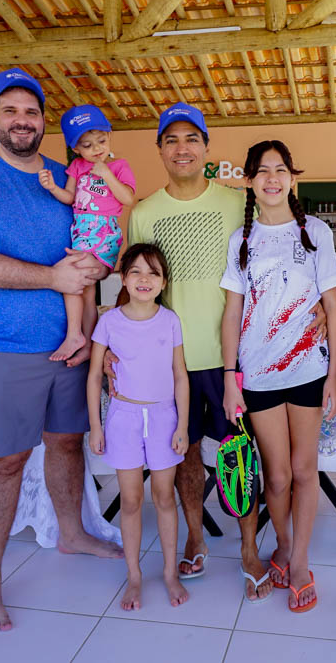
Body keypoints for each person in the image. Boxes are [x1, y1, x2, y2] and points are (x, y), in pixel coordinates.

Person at [0, 67, 122, 635]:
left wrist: (90, 323)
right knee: (5, 461)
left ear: (44, 121)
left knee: (67, 444)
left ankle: (72, 532)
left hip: (72, 344)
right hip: (3, 345)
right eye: (10, 110)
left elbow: (90, 251)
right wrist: (51, 279)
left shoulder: (68, 176)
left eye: (32, 112)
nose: (21, 120)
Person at [117, 103, 325, 604]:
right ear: (160, 149)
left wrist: (315, 305)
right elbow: (135, 283)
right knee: (184, 453)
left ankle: (252, 549)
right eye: (171, 140)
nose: (182, 148)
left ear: (207, 148)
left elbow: (289, 257)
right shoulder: (144, 211)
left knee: (242, 458)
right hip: (169, 359)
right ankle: (194, 535)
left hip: (238, 360)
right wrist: (113, 346)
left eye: (192, 139)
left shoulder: (238, 202)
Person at [220, 140, 336, 612]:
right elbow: (233, 313)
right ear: (250, 181)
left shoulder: (315, 232)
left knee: (303, 470)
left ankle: (299, 561)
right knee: (275, 476)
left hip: (309, 369)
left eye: (280, 169)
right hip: (259, 375)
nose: (272, 178)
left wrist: (334, 374)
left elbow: (331, 305)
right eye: (262, 171)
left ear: (293, 177)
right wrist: (231, 375)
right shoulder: (242, 240)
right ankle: (283, 542)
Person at [87, 243, 190, 611]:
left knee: (164, 497)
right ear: (124, 278)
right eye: (136, 272)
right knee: (130, 501)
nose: (144, 279)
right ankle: (134, 576)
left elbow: (180, 376)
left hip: (164, 418)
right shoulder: (109, 322)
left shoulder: (170, 320)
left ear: (163, 282)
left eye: (153, 273)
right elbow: (94, 377)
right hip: (123, 419)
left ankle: (168, 573)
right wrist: (96, 427)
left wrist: (183, 426)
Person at [39, 104, 135, 362]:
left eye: (101, 141)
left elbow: (127, 198)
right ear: (76, 149)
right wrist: (51, 188)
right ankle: (90, 344)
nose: (97, 149)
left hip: (103, 237)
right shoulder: (77, 168)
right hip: (82, 237)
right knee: (86, 292)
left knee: (70, 277)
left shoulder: (119, 166)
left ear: (110, 135)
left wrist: (107, 174)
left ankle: (74, 336)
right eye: (88, 145)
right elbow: (69, 197)